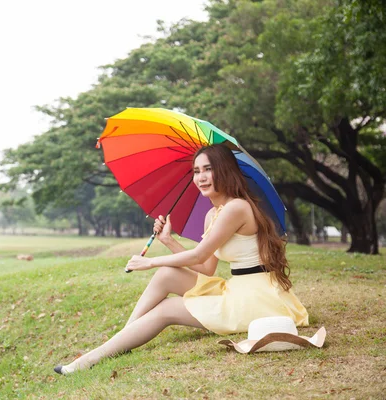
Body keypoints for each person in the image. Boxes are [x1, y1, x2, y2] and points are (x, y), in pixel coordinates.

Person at [54, 144, 309, 375]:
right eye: (196, 171)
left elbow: (199, 254)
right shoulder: (213, 214)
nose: (201, 177)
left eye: (208, 169)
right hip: (237, 288)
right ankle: (123, 340)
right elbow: (207, 268)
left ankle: (87, 361)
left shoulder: (236, 208)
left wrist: (151, 261)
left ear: (225, 171)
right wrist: (168, 241)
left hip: (256, 298)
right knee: (166, 275)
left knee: (165, 309)